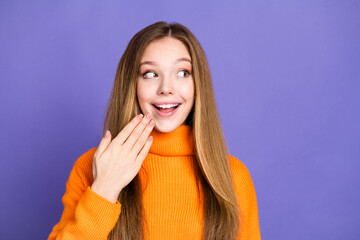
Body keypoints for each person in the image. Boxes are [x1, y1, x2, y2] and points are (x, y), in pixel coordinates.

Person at [48, 21, 261, 240]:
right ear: (132, 83)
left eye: (182, 72)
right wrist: (104, 190)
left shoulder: (233, 177)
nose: (166, 88)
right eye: (150, 74)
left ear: (198, 85)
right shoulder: (91, 166)